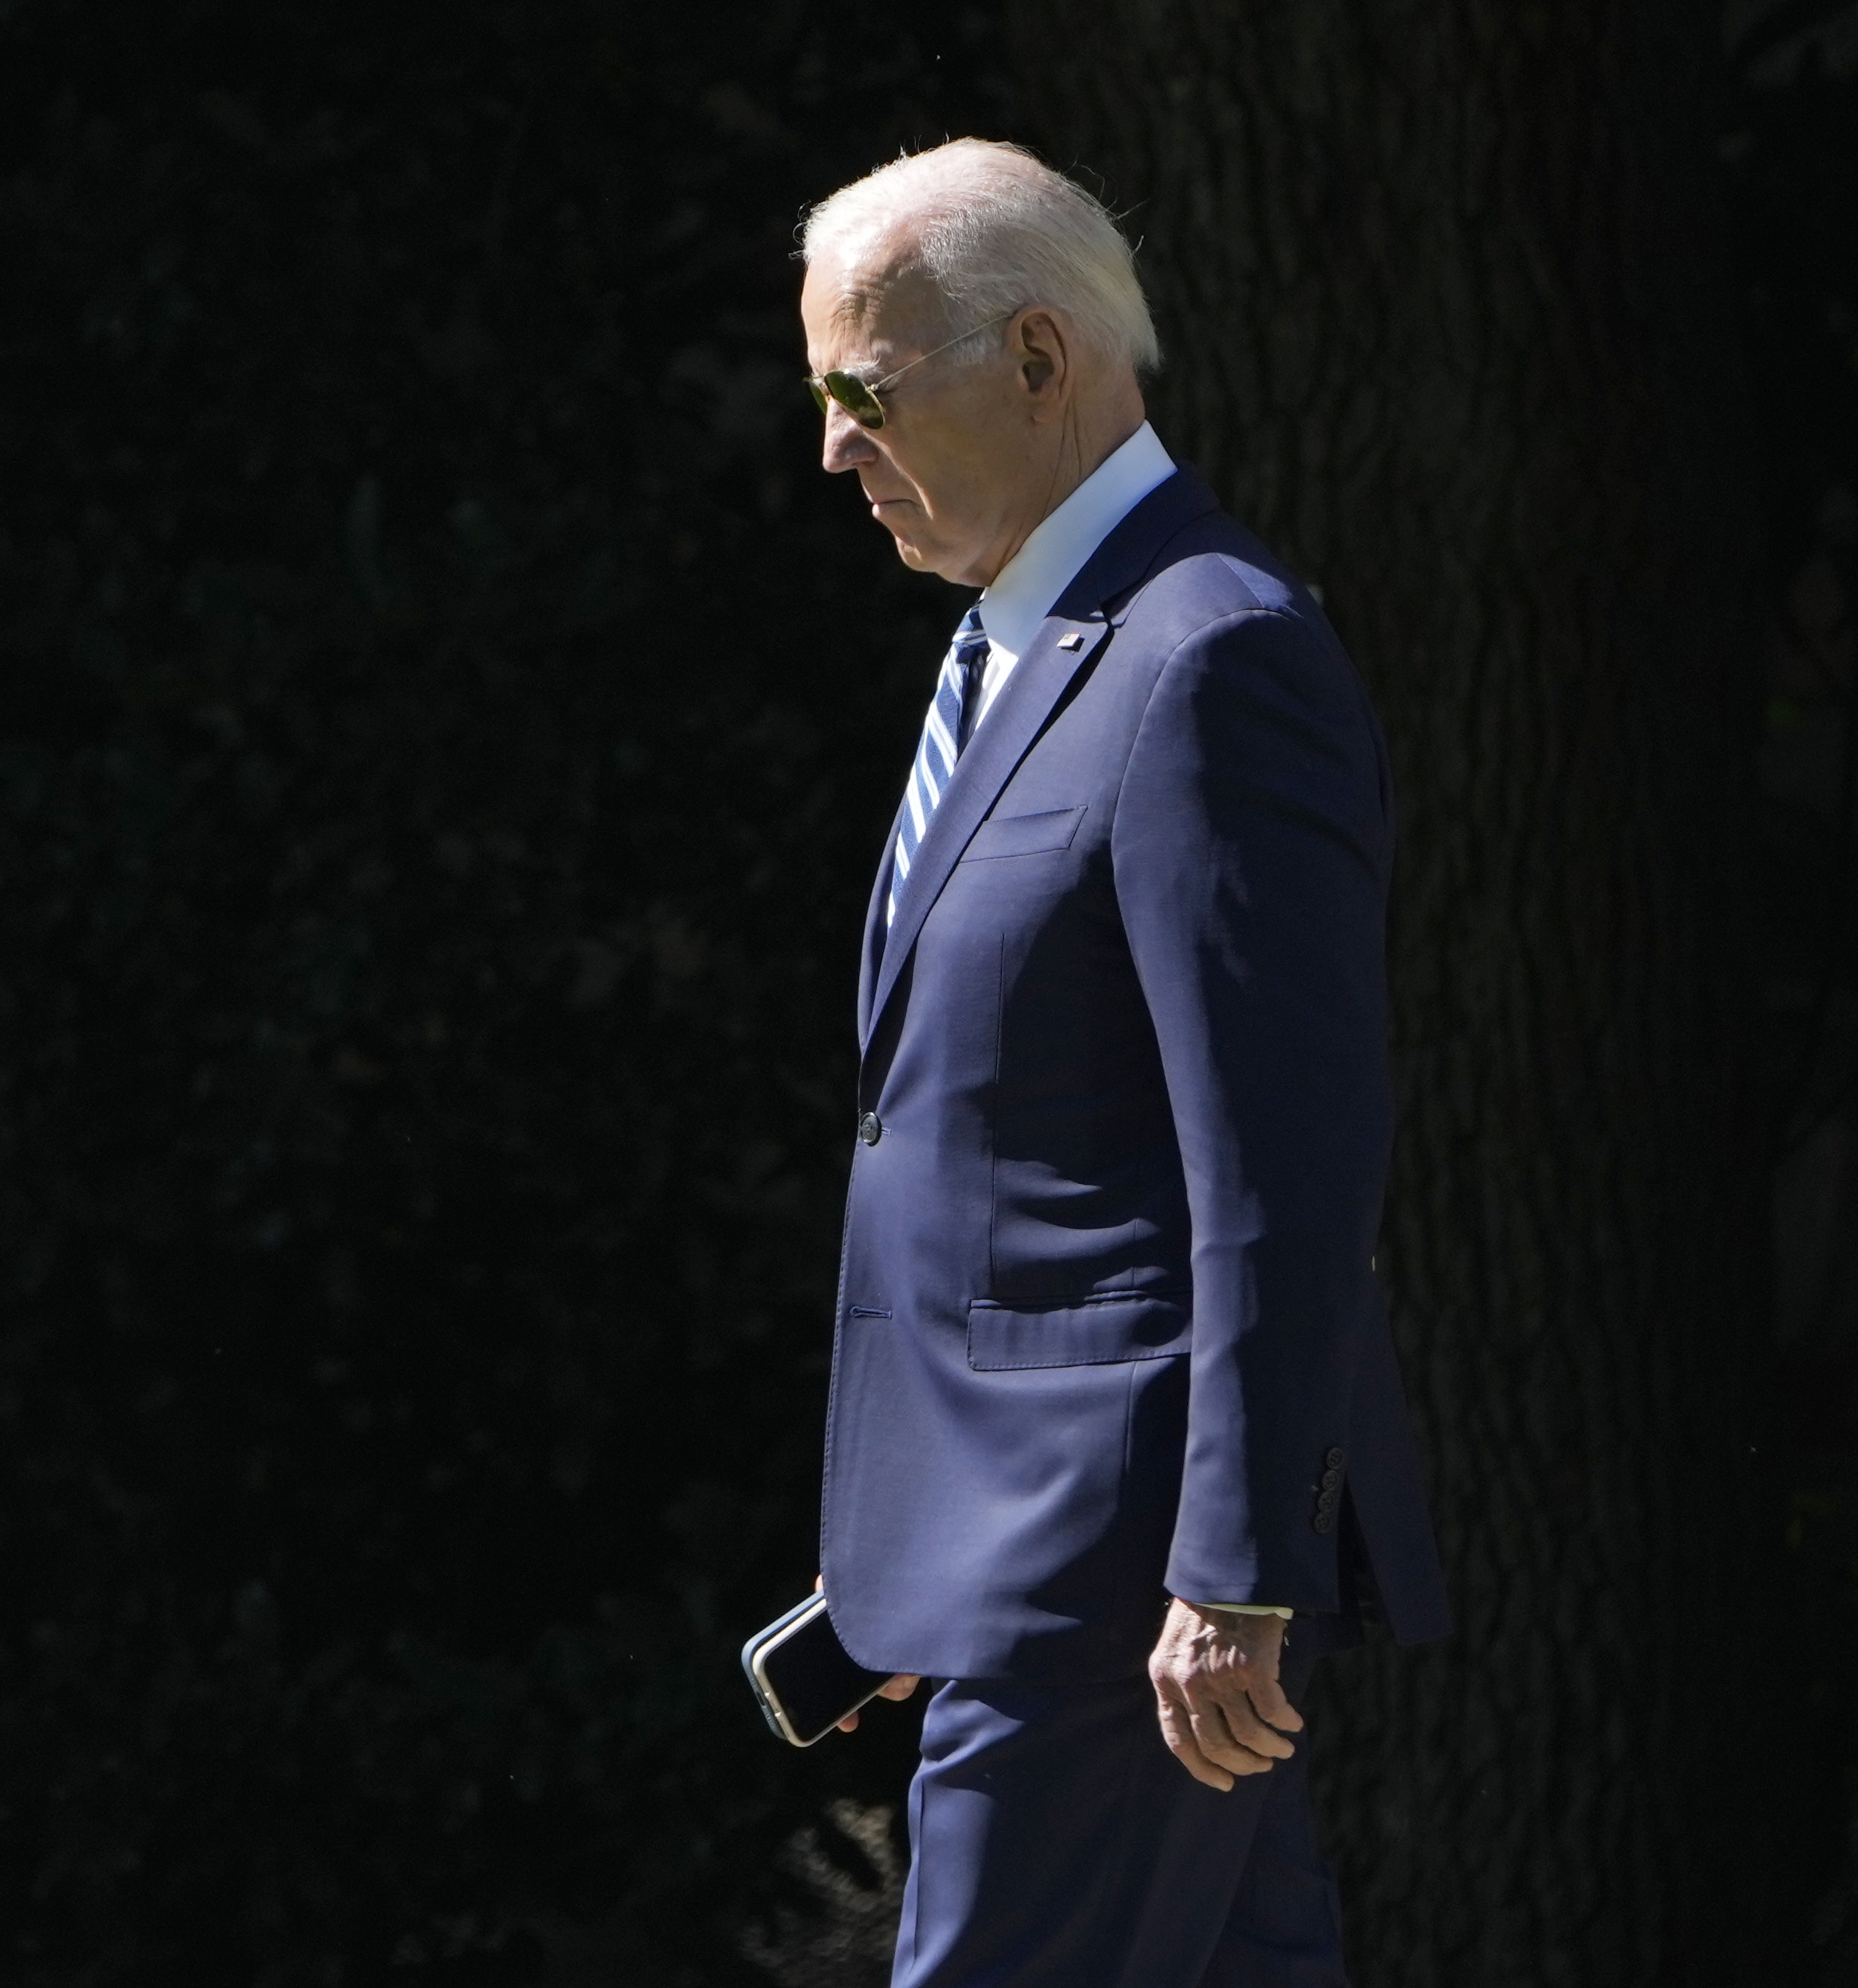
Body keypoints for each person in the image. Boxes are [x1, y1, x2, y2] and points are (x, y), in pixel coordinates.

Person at [797, 140, 1450, 1987]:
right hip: (1030, 1561)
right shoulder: (1013, 651)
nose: (834, 451)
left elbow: (1281, 1163)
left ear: (1035, 358)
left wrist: (1234, 1568)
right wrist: (906, 1550)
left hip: (1123, 1588)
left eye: (865, 391)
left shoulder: (1209, 658)